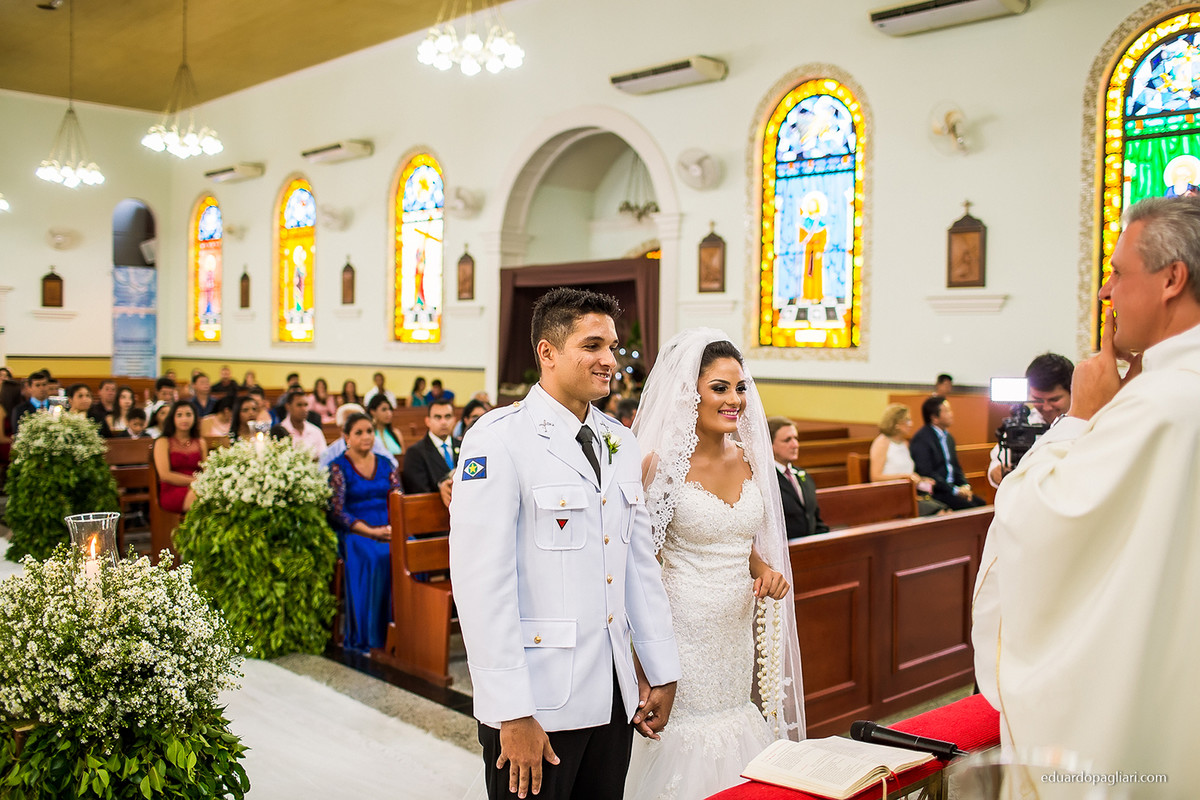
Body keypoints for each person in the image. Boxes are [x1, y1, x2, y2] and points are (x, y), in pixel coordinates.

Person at [972, 196, 1200, 787]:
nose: (1106, 292)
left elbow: (1034, 520)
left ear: (1172, 279)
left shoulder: (1160, 406)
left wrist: (1080, 418)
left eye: (1119, 273)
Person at [450, 287, 680, 800]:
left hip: (613, 696)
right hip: (539, 701)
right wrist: (512, 711)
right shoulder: (499, 438)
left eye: (613, 347)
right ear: (547, 353)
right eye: (593, 346)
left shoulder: (618, 440)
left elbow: (637, 563)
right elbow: (481, 584)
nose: (609, 361)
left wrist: (661, 670)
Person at [626, 332, 804, 800]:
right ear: (691, 391)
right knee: (684, 743)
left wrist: (764, 568)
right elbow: (640, 566)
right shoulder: (658, 466)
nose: (735, 400)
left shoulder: (749, 458)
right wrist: (645, 663)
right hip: (683, 630)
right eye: (720, 388)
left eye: (740, 387)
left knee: (734, 723)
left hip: (733, 631)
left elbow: (739, 539)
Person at [327, 412, 400, 653]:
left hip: (389, 526)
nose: (366, 437)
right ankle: (370, 635)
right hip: (356, 531)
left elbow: (398, 498)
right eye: (358, 432)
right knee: (374, 556)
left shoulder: (385, 463)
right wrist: (370, 531)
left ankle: (404, 630)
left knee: (407, 552)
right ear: (346, 437)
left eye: (369, 431)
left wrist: (394, 528)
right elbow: (338, 511)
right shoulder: (338, 467)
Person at [986, 353, 1074, 486]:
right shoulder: (1023, 423)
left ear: (1073, 391)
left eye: (1054, 399)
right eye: (1038, 399)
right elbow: (997, 461)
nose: (1046, 407)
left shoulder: (1084, 423)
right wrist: (996, 472)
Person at [868, 404, 946, 516]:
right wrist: (904, 477)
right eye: (908, 420)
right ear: (896, 424)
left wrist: (921, 479)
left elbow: (908, 472)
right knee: (940, 514)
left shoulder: (905, 444)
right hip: (889, 497)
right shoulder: (882, 442)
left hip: (908, 495)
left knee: (947, 511)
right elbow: (875, 477)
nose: (911, 424)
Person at [909, 396, 985, 510]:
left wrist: (965, 486)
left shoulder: (948, 437)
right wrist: (955, 490)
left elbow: (956, 467)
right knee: (970, 509)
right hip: (937, 492)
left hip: (953, 489)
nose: (951, 414)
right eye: (947, 411)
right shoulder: (922, 439)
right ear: (934, 417)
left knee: (982, 505)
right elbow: (927, 472)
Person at [767, 416, 829, 538]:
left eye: (796, 438)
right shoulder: (766, 479)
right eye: (787, 440)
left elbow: (814, 518)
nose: (795, 445)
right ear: (770, 444)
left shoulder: (803, 475)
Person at [152, 401, 207, 514]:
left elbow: (206, 470)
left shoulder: (200, 442)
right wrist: (195, 482)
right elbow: (164, 475)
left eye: (188, 414)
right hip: (173, 489)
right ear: (172, 418)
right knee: (201, 495)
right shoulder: (163, 442)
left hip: (198, 486)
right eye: (179, 415)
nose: (184, 419)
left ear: (195, 418)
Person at [402, 399, 458, 494]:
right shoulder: (415, 453)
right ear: (428, 421)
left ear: (454, 420)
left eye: (447, 416)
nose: (443, 422)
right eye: (438, 417)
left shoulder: (463, 446)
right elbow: (419, 490)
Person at [319, 403, 397, 470]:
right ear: (341, 429)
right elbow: (322, 476)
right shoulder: (330, 453)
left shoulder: (375, 443)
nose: (365, 437)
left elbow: (393, 464)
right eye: (358, 432)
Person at [278, 390, 327, 458]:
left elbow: (324, 456)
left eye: (306, 405)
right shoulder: (280, 431)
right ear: (288, 406)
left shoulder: (316, 431)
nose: (304, 409)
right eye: (299, 405)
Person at [10, 369, 51, 435]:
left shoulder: (55, 406)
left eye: (44, 384)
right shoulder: (20, 409)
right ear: (29, 388)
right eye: (37, 385)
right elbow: (17, 432)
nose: (42, 388)